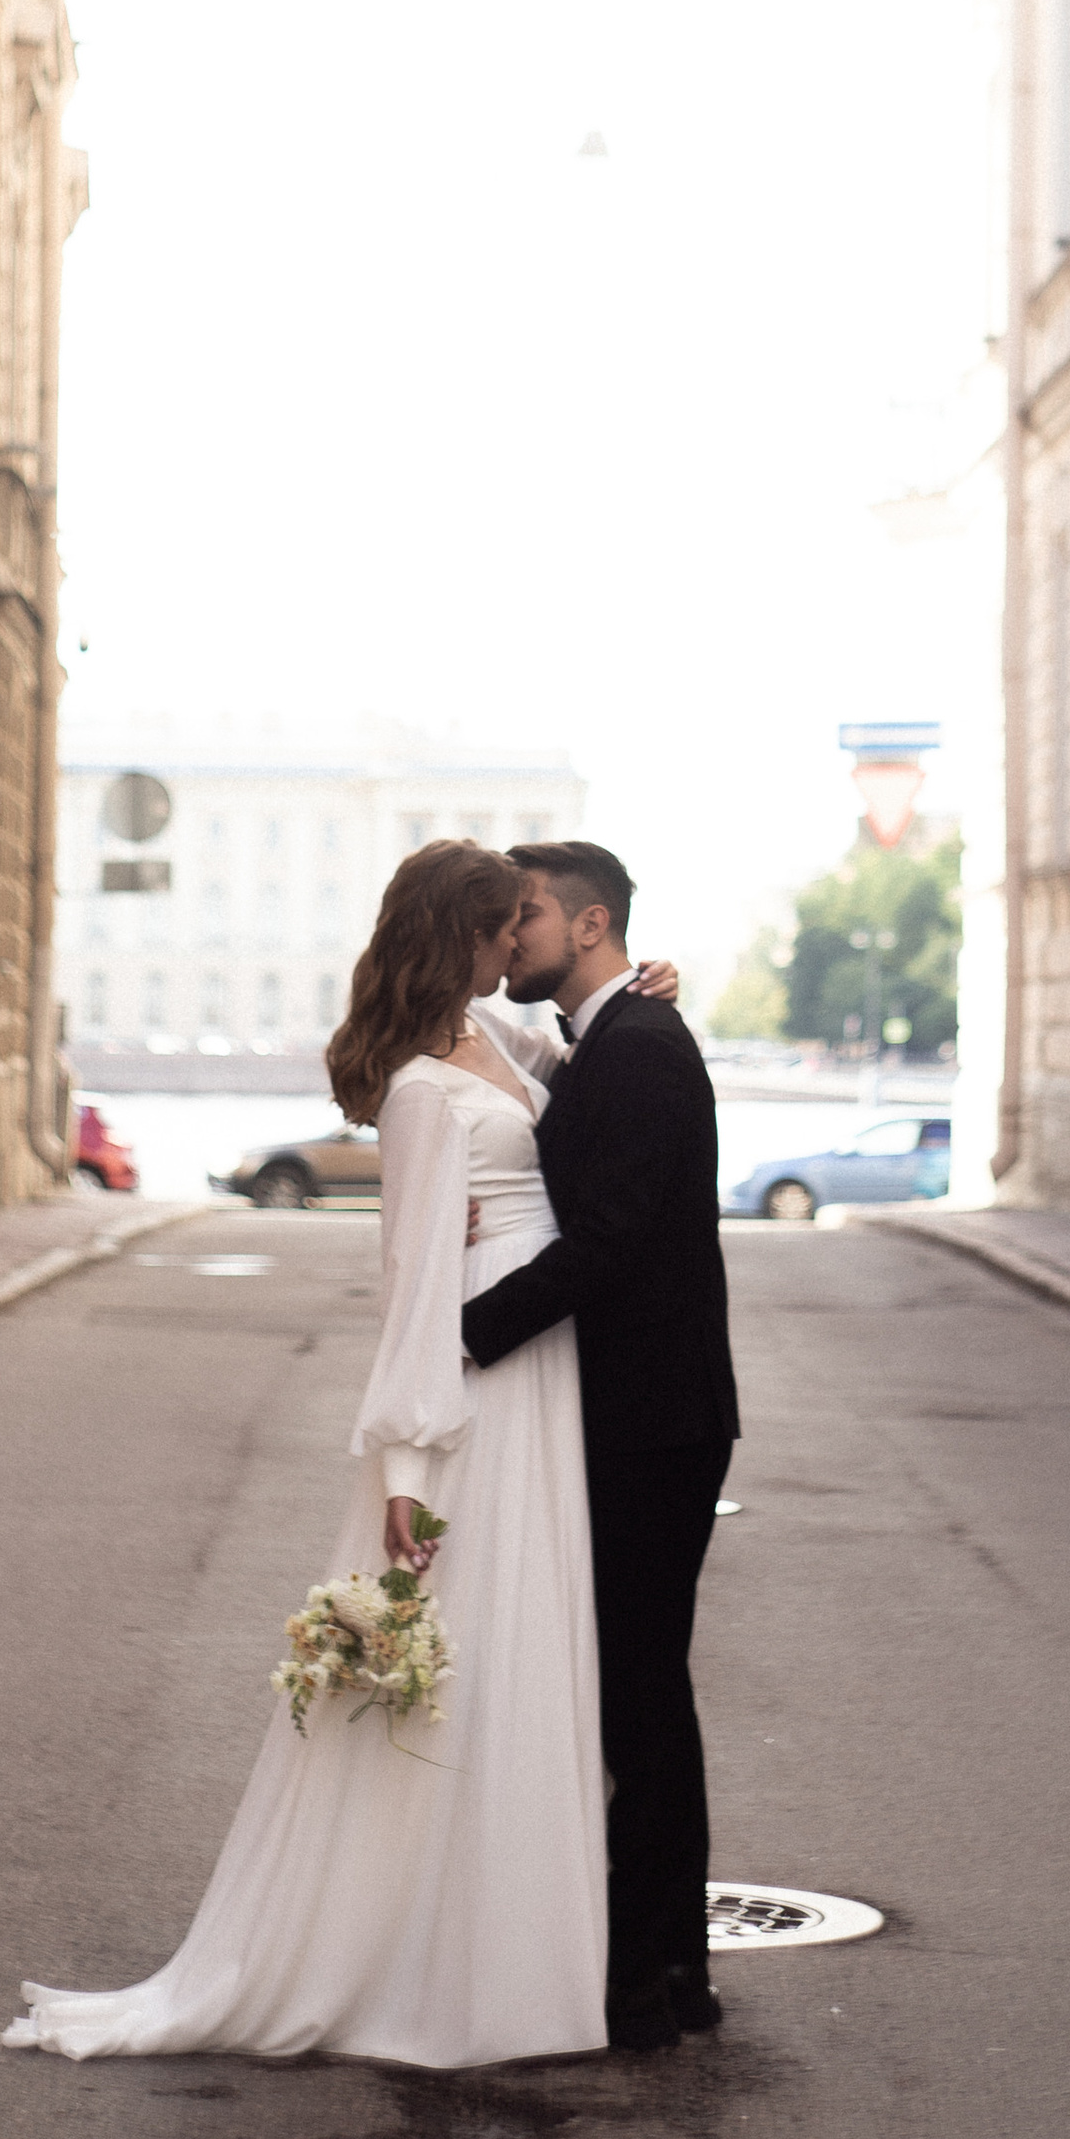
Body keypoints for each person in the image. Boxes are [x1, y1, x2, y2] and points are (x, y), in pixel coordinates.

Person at [2, 838, 674, 2071]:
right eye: (501, 927)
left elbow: (573, 1066)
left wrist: (642, 993)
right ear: (463, 937)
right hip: (477, 1380)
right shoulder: (422, 1089)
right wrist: (408, 1468)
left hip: (539, 1373)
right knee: (461, 1656)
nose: (515, 944)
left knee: (524, 1654)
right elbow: (412, 1283)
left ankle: (507, 1949)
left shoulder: (491, 1043)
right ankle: (412, 1958)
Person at [461, 839, 739, 2057]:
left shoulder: (639, 1049)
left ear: (585, 925)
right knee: (636, 1695)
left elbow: (610, 1243)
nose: (507, 938)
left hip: (651, 1421)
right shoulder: (610, 1036)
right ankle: (660, 1969)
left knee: (639, 1699)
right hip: (636, 1413)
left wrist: (465, 1332)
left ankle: (655, 1979)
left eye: (521, 918)